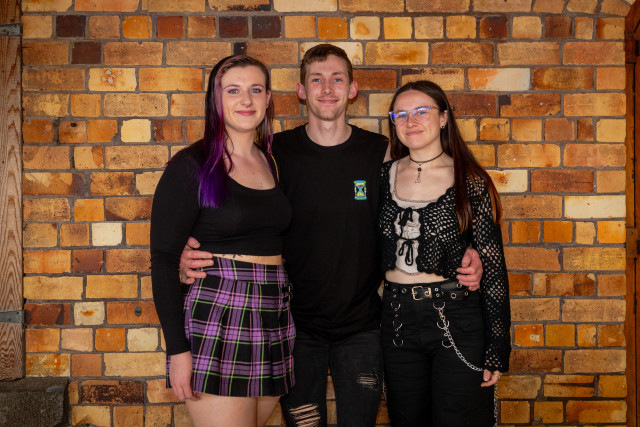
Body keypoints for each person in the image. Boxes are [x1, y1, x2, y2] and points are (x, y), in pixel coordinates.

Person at [178, 45, 484, 426]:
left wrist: (469, 249)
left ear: (352, 89)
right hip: (293, 326)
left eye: (337, 79)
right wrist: (188, 251)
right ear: (301, 90)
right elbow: (237, 212)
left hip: (362, 328)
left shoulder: (381, 152)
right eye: (316, 79)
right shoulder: (273, 154)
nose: (326, 88)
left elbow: (419, 203)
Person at [150, 55, 295, 427]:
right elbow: (164, 260)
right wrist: (178, 351)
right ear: (216, 99)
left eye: (255, 90)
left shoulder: (271, 162)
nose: (246, 100)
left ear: (267, 99)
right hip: (220, 308)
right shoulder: (192, 164)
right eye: (233, 90)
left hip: (273, 309)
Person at [379, 80, 511, 426]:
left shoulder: (471, 180)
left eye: (422, 111)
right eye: (400, 114)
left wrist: (497, 347)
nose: (411, 121)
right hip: (396, 320)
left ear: (443, 118)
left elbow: (494, 270)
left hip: (456, 318)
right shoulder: (381, 177)